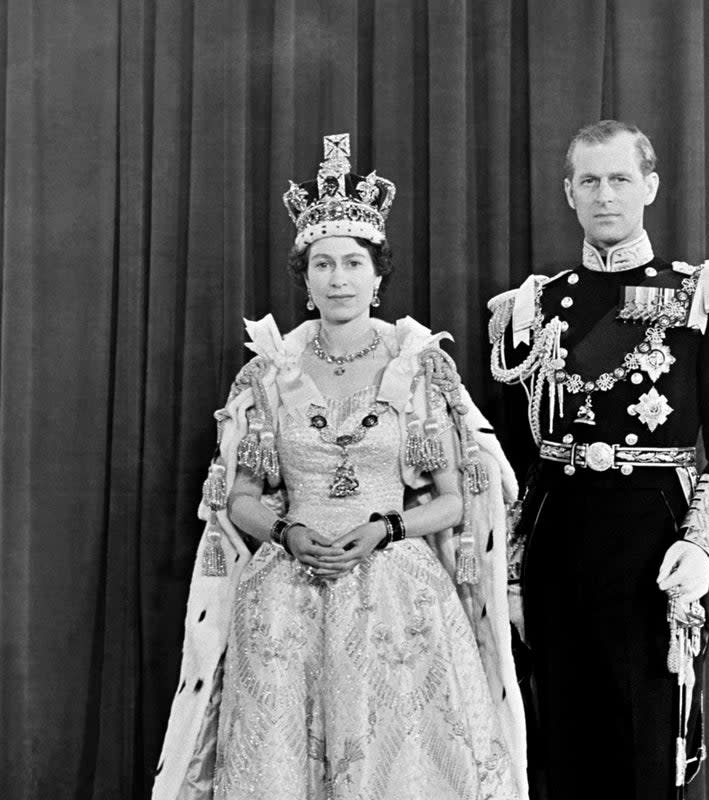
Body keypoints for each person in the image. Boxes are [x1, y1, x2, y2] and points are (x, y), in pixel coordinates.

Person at [153, 133, 528, 800]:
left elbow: (450, 500)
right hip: (287, 586)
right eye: (323, 264)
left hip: (394, 585)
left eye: (353, 263)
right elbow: (240, 495)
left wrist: (385, 529)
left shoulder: (417, 370)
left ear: (378, 276)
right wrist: (287, 533)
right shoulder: (267, 374)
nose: (338, 278)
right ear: (306, 281)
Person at [488, 120, 709, 797]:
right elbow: (516, 461)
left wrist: (702, 546)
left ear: (650, 186)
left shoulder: (703, 296)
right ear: (568, 193)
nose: (604, 195)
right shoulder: (533, 307)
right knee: (561, 735)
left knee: (644, 740)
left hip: (654, 538)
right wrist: (512, 566)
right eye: (589, 181)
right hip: (557, 537)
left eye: (618, 179)